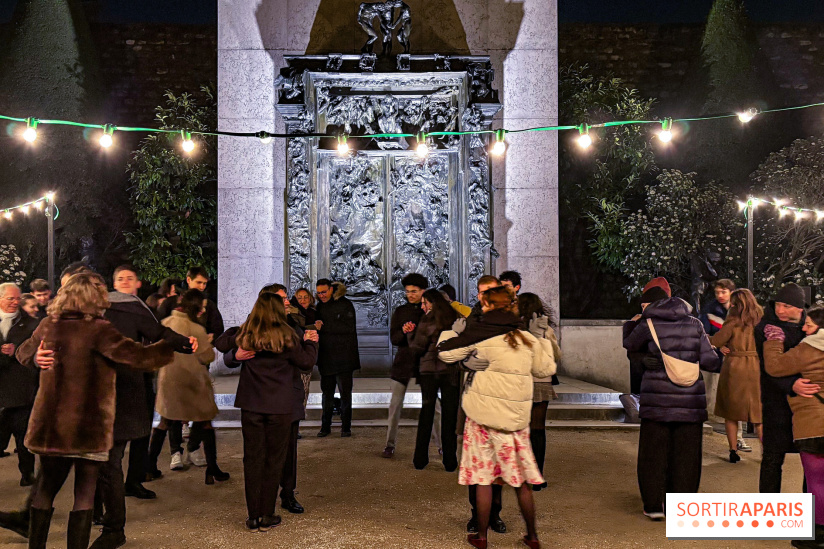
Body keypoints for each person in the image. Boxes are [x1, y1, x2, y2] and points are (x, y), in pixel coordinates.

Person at [15, 272, 174, 549]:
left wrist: (34, 357)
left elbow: (22, 352)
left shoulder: (48, 325)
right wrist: (170, 346)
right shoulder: (100, 329)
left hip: (53, 426)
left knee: (45, 490)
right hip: (90, 426)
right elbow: (139, 357)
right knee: (84, 493)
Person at [439, 285, 555, 549]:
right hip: (514, 422)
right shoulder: (525, 339)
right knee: (521, 481)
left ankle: (481, 536)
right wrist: (541, 339)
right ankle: (532, 536)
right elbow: (545, 369)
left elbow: (445, 353)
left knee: (484, 479)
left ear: (488, 306)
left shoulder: (477, 335)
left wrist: (453, 333)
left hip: (482, 421)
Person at [92, 265, 196, 549]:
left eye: (128, 278)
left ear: (137, 283)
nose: (123, 283)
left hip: (120, 391)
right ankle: (97, 515)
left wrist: (184, 343)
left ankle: (112, 524)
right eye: (118, 279)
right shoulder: (86, 313)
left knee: (109, 459)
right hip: (95, 395)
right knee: (99, 461)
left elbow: (157, 333)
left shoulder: (129, 309)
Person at [220, 293, 319, 532]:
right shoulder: (287, 336)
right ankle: (267, 514)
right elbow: (306, 363)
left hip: (252, 405)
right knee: (274, 460)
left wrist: (234, 354)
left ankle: (252, 517)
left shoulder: (247, 334)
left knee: (252, 459)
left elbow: (222, 342)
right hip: (280, 407)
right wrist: (311, 341)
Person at [623, 288, 722, 520]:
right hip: (690, 403)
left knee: (653, 455)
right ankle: (683, 508)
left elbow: (629, 344)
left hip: (656, 402)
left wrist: (632, 323)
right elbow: (710, 361)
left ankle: (654, 506)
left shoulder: (648, 325)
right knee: (687, 456)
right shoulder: (696, 324)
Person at [763, 304, 824, 547]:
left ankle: (818, 534)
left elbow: (775, 366)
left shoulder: (809, 348)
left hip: (813, 424)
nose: (805, 329)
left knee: (816, 480)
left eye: (809, 324)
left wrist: (774, 341)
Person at [157, 289, 227, 485]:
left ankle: (149, 466)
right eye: (202, 307)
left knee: (166, 421)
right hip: (193, 382)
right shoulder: (196, 329)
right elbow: (207, 356)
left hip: (169, 380)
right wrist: (207, 343)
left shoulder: (167, 323)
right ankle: (212, 469)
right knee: (205, 422)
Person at [756, 283, 821, 493]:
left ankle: (809, 514)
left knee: (810, 464)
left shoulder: (812, 327)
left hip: (808, 408)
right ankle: (768, 514)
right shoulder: (766, 328)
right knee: (772, 459)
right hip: (776, 402)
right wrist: (791, 384)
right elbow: (767, 369)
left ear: (800, 308)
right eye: (778, 305)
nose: (780, 310)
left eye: (787, 306)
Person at [710, 289, 764, 463]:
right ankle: (766, 452)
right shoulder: (761, 320)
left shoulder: (733, 321)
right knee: (758, 414)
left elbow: (716, 340)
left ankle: (733, 451)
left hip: (735, 367)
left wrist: (719, 344)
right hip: (757, 367)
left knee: (731, 412)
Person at [409, 288, 460, 471]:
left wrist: (410, 335)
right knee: (449, 416)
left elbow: (417, 347)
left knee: (427, 414)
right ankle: (450, 460)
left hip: (429, 372)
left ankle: (420, 459)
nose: (422, 307)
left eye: (425, 303)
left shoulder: (427, 320)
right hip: (450, 371)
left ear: (432, 302)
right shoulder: (453, 318)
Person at [699, 279, 752, 452]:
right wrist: (718, 345)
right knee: (710, 401)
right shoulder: (709, 310)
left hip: (735, 365)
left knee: (736, 404)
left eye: (724, 292)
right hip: (714, 362)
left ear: (732, 292)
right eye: (717, 292)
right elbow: (705, 334)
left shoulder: (741, 312)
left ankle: (738, 439)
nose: (720, 296)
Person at [518, 292, 561, 491]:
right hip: (542, 381)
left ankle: (522, 473)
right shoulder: (546, 329)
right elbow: (556, 356)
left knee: (521, 429)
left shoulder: (516, 330)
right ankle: (538, 475)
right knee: (538, 429)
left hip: (520, 382)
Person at [384, 273, 429, 458]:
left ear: (423, 291)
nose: (410, 295)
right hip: (403, 362)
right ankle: (389, 444)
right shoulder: (401, 311)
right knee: (395, 405)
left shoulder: (429, 311)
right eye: (408, 291)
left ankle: (441, 445)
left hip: (425, 363)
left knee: (433, 407)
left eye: (414, 291)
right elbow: (394, 338)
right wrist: (403, 331)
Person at [0, 283, 40, 487]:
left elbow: (34, 353)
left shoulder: (31, 324)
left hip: (21, 389)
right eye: (10, 298)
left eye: (17, 299)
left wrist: (17, 352)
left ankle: (27, 473)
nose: (15, 302)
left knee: (23, 435)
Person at [620, 278, 672, 424]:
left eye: (646, 306)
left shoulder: (648, 323)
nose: (644, 310)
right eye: (642, 306)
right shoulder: (644, 323)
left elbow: (629, 344)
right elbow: (630, 348)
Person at [314, 279, 359, 438]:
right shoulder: (320, 306)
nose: (321, 296)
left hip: (344, 359)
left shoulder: (345, 304)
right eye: (319, 293)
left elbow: (349, 328)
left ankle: (346, 427)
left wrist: (324, 326)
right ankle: (325, 427)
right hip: (326, 358)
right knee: (326, 395)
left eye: (324, 292)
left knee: (345, 394)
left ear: (331, 290)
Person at [157, 267, 224, 338]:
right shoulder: (171, 301)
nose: (202, 287)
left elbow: (218, 328)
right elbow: (158, 323)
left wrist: (210, 337)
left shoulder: (209, 304)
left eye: (204, 283)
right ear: (188, 280)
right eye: (199, 282)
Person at [290, 288, 316, 411]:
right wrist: (314, 327)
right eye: (299, 297)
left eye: (305, 297)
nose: (303, 300)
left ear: (310, 298)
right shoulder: (292, 313)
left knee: (303, 393)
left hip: (309, 355)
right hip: (298, 357)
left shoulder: (314, 310)